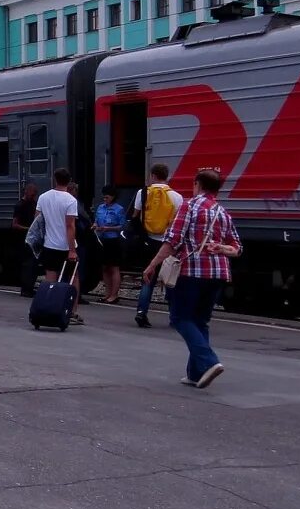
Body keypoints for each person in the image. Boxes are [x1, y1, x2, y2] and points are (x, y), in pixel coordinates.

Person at [143, 168, 242, 389]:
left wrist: (152, 265)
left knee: (179, 318)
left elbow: (173, 240)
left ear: (196, 184)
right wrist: (221, 247)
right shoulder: (223, 212)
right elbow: (237, 248)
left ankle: (209, 361)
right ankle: (196, 374)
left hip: (191, 272)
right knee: (200, 321)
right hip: (218, 274)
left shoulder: (189, 206)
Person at [132, 163, 185, 328]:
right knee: (170, 279)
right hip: (168, 244)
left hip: (149, 242)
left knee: (148, 278)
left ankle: (141, 312)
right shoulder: (177, 197)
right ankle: (174, 316)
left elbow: (135, 217)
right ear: (166, 176)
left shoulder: (143, 193)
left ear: (153, 175)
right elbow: (178, 222)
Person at [35, 167, 82, 324]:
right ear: (69, 181)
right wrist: (72, 250)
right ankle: (73, 312)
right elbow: (70, 226)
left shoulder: (43, 197)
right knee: (73, 279)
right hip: (65, 246)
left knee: (50, 278)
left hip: (49, 244)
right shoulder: (70, 200)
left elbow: (38, 221)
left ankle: (47, 307)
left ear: (55, 179)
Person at [93, 185, 126, 304]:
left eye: (107, 196)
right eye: (104, 196)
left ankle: (114, 294)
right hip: (102, 240)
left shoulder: (119, 209)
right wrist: (95, 226)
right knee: (105, 267)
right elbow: (96, 220)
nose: (105, 198)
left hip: (113, 240)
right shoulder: (100, 208)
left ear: (113, 197)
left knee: (114, 267)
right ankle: (107, 293)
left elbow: (122, 226)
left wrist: (108, 228)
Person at [13, 182, 40, 296]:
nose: (34, 197)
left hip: (32, 238)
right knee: (27, 264)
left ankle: (29, 286)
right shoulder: (20, 205)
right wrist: (28, 229)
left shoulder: (33, 204)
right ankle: (25, 288)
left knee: (33, 263)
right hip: (23, 239)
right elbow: (14, 224)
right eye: (33, 194)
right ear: (27, 192)